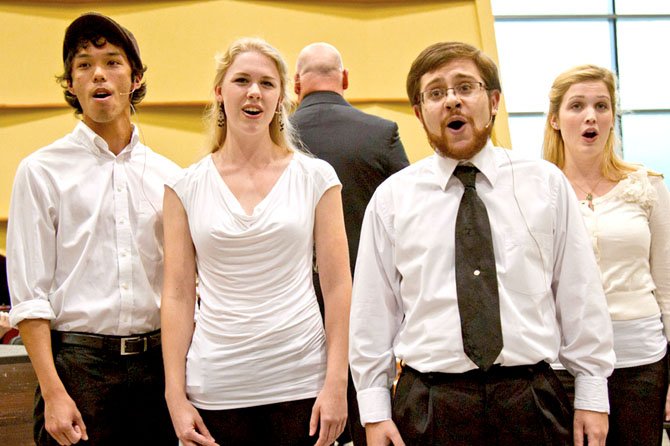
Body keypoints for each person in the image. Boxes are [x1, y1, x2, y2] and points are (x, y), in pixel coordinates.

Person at [349, 41, 616, 446]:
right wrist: (373, 410)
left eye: (465, 87)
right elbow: (372, 311)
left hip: (531, 398)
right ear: (420, 114)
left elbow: (580, 293)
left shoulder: (544, 185)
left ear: (492, 101)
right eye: (436, 93)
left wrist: (593, 394)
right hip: (430, 405)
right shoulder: (392, 200)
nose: (452, 100)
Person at [161, 37, 351, 446]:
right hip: (215, 386)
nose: (254, 92)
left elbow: (338, 286)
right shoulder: (183, 185)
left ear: (281, 96)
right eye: (241, 80)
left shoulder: (317, 178)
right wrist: (174, 395)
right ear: (219, 92)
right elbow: (176, 295)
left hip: (302, 383)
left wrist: (337, 382)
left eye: (267, 83)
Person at [6, 12, 180, 446]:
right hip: (77, 369)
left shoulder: (171, 177)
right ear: (70, 84)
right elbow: (30, 297)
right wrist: (53, 393)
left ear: (136, 77)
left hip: (157, 368)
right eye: (83, 65)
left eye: (112, 61)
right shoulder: (41, 171)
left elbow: (183, 288)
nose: (98, 74)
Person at [543, 64, 670, 446]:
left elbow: (667, 285)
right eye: (577, 105)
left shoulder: (647, 186)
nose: (590, 116)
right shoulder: (536, 191)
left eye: (601, 105)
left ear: (612, 117)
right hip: (562, 364)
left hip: (640, 361)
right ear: (554, 119)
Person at [292, 41, 410, 446]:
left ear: (294, 84)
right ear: (344, 80)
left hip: (290, 310)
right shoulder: (382, 134)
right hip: (367, 305)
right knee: (368, 420)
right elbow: (410, 221)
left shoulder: (275, 140)